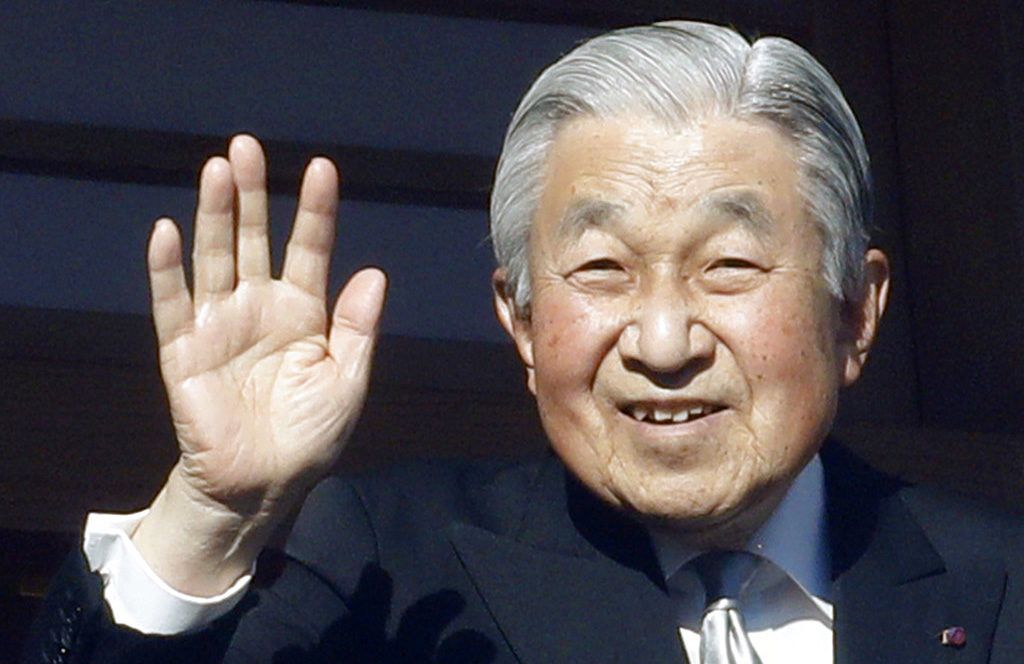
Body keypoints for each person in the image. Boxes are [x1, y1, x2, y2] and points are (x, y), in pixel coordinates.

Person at [24, 19, 1024, 664]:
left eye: (727, 266)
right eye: (600, 270)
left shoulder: (1000, 585)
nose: (664, 340)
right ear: (519, 320)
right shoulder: (386, 562)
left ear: (855, 310)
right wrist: (214, 514)